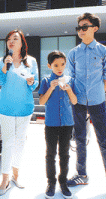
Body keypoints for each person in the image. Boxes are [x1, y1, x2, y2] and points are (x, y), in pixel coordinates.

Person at [67, 12, 106, 199]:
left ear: (94, 28)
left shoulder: (105, 52)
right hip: (78, 102)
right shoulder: (73, 53)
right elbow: (70, 77)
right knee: (80, 140)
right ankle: (82, 175)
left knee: (104, 141)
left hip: (98, 102)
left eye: (84, 27)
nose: (80, 31)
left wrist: (97, 93)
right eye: (79, 28)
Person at [0, 29, 39, 196]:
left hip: (25, 108)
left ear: (22, 43)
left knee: (20, 142)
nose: (11, 41)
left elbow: (35, 85)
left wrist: (31, 81)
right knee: (8, 143)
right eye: (9, 39)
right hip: (6, 108)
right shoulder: (1, 61)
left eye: (15, 38)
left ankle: (16, 175)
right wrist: (5, 67)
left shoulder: (31, 61)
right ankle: (5, 179)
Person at [38, 51, 77, 199]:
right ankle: (51, 182)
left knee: (65, 155)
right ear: (49, 66)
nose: (59, 68)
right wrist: (51, 88)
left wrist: (68, 90)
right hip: (51, 124)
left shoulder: (70, 80)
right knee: (50, 154)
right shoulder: (46, 81)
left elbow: (74, 101)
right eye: (55, 65)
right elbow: (41, 102)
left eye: (62, 64)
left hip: (67, 123)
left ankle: (63, 182)